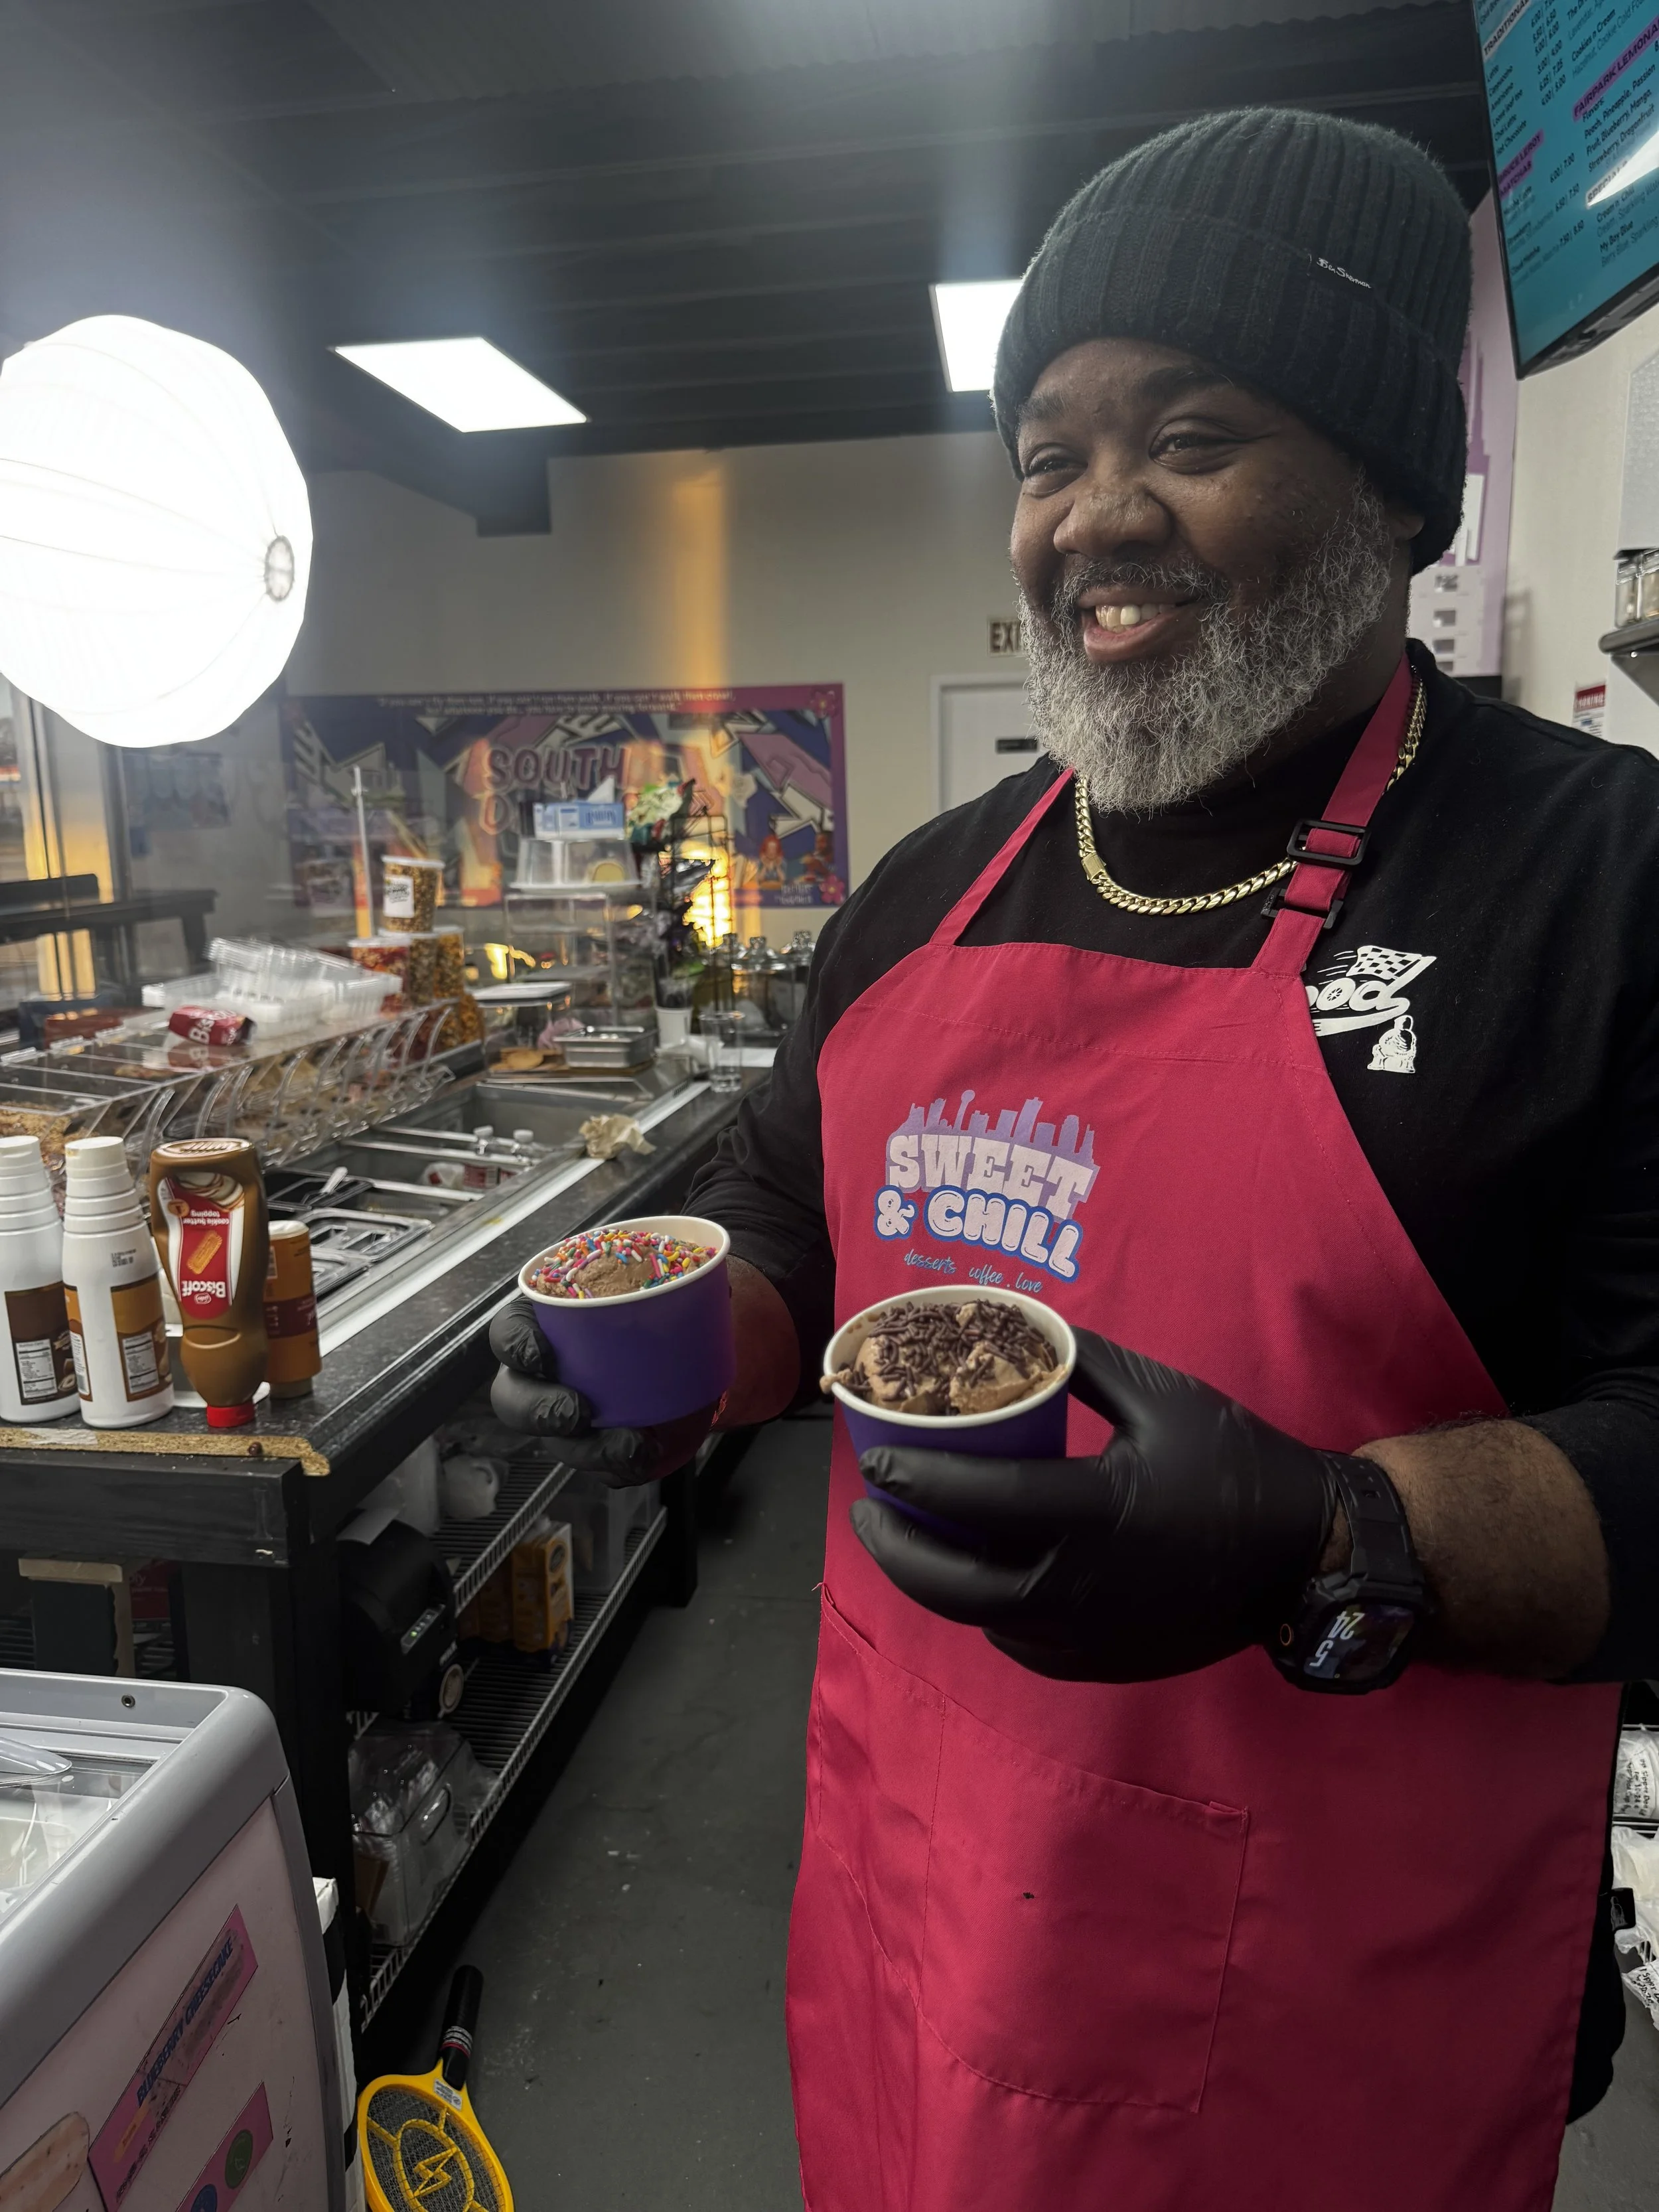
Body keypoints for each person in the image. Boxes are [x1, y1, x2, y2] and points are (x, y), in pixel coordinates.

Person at [489, 108, 1659, 2211]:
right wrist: (667, 1355)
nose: (1091, 519)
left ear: (1393, 488)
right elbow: (784, 1226)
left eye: (1190, 432)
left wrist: (1330, 1528)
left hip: (1338, 2002)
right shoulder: (927, 889)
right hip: (922, 1913)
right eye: (1046, 454)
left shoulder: (1596, 879)